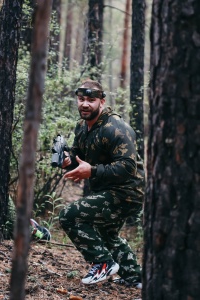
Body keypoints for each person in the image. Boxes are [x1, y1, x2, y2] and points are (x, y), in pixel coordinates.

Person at [58, 80, 144, 289]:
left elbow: (127, 167)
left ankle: (103, 263)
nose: (85, 104)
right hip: (106, 190)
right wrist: (68, 158)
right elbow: (78, 153)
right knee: (107, 235)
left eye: (91, 100)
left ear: (102, 102)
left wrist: (93, 171)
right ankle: (135, 277)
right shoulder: (82, 126)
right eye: (81, 99)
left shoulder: (116, 128)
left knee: (69, 215)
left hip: (127, 192)